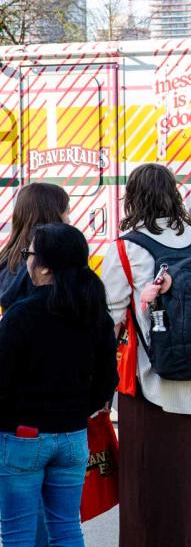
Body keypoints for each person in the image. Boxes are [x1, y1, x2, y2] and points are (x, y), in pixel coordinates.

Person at [100, 163, 191, 546]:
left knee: (149, 486)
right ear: (173, 193)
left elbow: (110, 315)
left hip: (153, 384)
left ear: (133, 197)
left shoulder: (126, 247)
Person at [0, 224, 117, 547]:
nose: (26, 260)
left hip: (22, 435)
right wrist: (79, 409)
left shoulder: (21, 314)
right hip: (73, 436)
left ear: (46, 265)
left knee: (18, 534)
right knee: (66, 528)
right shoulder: (95, 313)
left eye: (29, 254)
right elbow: (108, 379)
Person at [0, 182, 69, 309]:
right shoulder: (53, 252)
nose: (68, 219)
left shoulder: (8, 256)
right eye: (66, 212)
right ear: (51, 213)